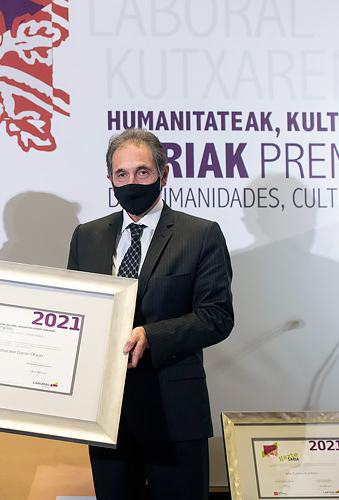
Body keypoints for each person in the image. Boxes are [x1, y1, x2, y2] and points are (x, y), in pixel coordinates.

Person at [67, 128, 234, 500]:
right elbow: (74, 313)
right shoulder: (86, 236)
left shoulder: (200, 234)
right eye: (121, 174)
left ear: (164, 174)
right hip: (105, 416)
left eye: (142, 172)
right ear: (109, 178)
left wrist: (151, 335)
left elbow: (217, 316)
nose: (131, 182)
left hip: (174, 413)